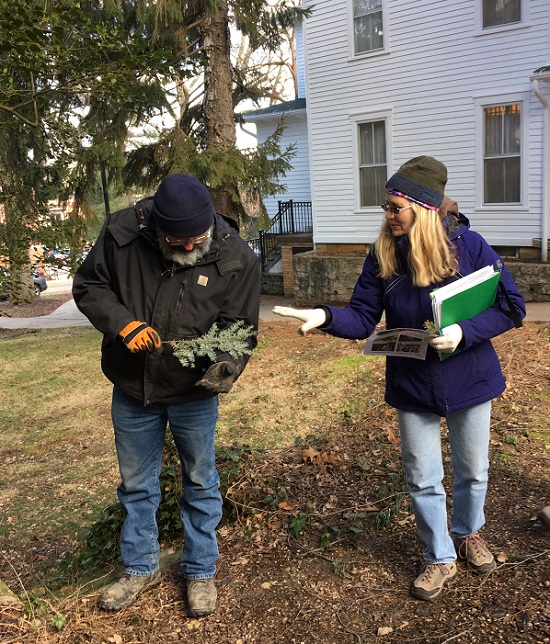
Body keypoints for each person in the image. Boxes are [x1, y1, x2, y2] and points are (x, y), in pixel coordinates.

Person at [273, 156, 525, 601]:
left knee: (473, 471)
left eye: (394, 207)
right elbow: (363, 317)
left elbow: (511, 307)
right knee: (422, 476)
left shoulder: (471, 247)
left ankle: (468, 534)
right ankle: (439, 555)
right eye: (385, 207)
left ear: (423, 210)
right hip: (412, 381)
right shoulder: (383, 254)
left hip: (470, 377)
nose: (387, 216)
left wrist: (464, 332)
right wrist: (324, 315)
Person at [73, 173, 261, 616]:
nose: (188, 245)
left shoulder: (235, 256)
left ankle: (200, 570)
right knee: (137, 486)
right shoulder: (122, 233)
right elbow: (90, 286)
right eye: (177, 239)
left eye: (196, 238)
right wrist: (124, 324)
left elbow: (238, 330)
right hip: (132, 386)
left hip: (194, 394)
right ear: (156, 226)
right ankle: (140, 567)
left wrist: (220, 367)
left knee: (200, 479)